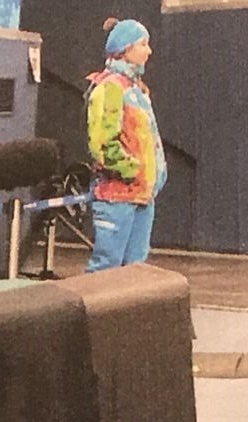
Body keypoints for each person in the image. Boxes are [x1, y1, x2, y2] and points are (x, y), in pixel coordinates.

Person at [85, 16, 166, 272]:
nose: (149, 51)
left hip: (142, 194)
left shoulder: (138, 90)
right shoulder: (110, 88)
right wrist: (130, 170)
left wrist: (155, 174)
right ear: (125, 49)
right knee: (107, 267)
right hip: (117, 196)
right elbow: (102, 144)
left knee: (135, 269)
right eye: (143, 44)